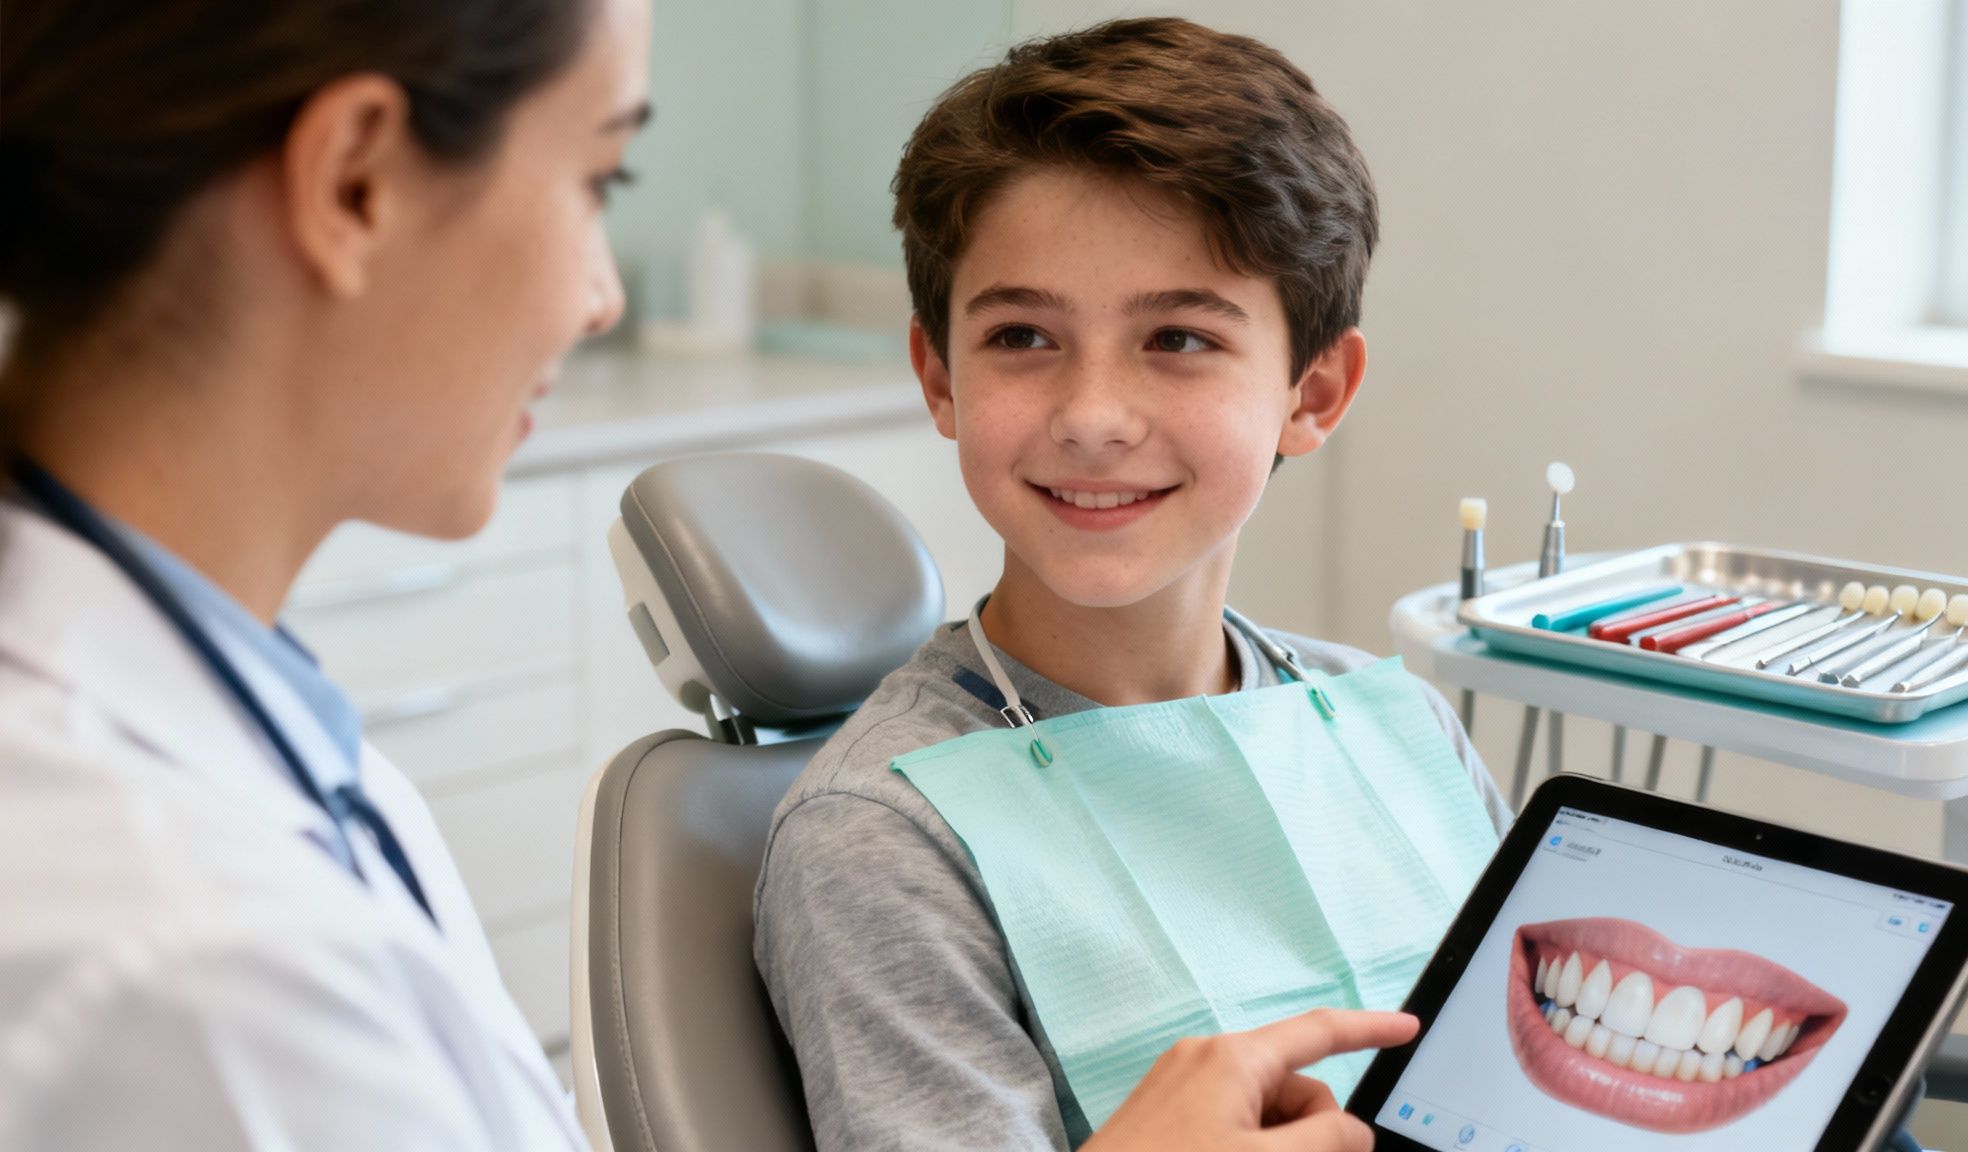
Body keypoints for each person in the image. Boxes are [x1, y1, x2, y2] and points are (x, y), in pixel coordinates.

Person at [0, 2, 1417, 1148]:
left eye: (1180, 337)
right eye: (597, 176)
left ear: (1316, 391)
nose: (604, 292)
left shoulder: (273, 757)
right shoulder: (175, 949)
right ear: (355, 178)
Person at [755, 17, 1518, 1152]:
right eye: (1021, 335)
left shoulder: (1395, 725)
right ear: (939, 377)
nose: (1092, 418)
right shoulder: (885, 834)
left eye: (1177, 338)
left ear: (1312, 394)